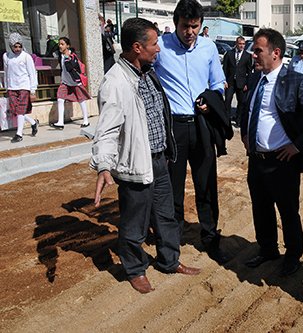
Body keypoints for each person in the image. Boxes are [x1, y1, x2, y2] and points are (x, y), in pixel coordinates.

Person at [91, 18, 201, 294]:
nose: (159, 49)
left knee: (166, 217)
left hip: (160, 160)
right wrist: (104, 165)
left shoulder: (147, 72)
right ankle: (135, 269)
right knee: (134, 224)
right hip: (135, 166)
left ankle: (169, 260)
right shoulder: (115, 83)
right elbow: (105, 131)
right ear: (137, 47)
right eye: (154, 44)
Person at [241, 28, 303, 276]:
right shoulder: (256, 78)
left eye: (258, 50)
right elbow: (247, 110)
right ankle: (267, 249)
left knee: (288, 210)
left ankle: (292, 255)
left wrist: (298, 145)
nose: (253, 55)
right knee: (261, 207)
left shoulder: (296, 81)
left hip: (282, 161)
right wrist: (246, 135)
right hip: (257, 159)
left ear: (276, 52)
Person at [153, 0, 232, 264]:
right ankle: (171, 243)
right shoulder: (161, 47)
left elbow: (218, 82)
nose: (190, 32)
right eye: (185, 26)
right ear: (176, 23)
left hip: (201, 124)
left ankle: (210, 239)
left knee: (206, 185)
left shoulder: (208, 48)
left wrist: (212, 99)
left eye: (195, 26)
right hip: (173, 127)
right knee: (172, 188)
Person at [3, 33, 39, 143]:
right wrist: (6, 86)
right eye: (15, 46)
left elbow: (32, 73)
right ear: (11, 46)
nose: (18, 49)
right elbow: (6, 72)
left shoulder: (26, 57)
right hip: (12, 87)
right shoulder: (6, 56)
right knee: (15, 110)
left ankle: (19, 134)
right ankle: (33, 123)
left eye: (19, 46)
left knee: (20, 110)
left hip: (24, 86)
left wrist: (33, 89)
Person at [50, 37, 91, 129]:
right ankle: (60, 122)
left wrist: (68, 58)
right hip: (65, 82)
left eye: (62, 44)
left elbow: (70, 68)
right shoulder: (60, 55)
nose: (60, 46)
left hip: (75, 82)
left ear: (67, 46)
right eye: (59, 44)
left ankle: (86, 120)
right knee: (60, 98)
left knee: (81, 100)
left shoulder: (72, 56)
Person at [222, 36, 253, 126]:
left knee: (241, 102)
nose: (242, 46)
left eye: (243, 44)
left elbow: (249, 71)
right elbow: (225, 68)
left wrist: (247, 83)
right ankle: (226, 119)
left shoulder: (247, 56)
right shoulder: (229, 54)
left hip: (241, 83)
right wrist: (224, 81)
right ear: (236, 44)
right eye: (240, 44)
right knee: (227, 100)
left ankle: (238, 120)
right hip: (230, 82)